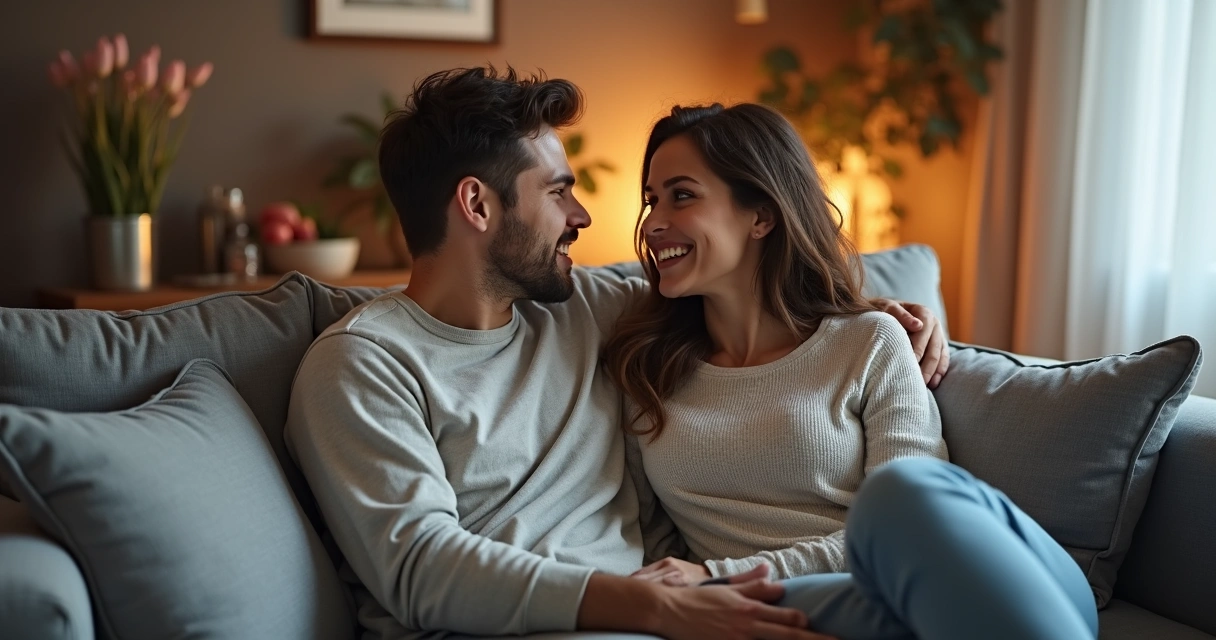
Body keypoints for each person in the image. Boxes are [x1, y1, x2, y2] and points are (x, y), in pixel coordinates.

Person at [284, 66, 946, 640]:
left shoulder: (587, 310)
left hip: (659, 618)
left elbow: (740, 280)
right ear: (477, 204)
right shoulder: (363, 364)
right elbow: (420, 568)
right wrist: (653, 605)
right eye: (557, 191)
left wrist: (881, 314)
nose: (583, 217)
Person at [602, 103, 1099, 640]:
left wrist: (716, 576)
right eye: (651, 201)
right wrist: (697, 593)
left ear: (761, 216)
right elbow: (656, 544)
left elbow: (916, 526)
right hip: (817, 604)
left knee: (903, 492)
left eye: (682, 196)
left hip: (991, 574)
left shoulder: (870, 340)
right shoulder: (644, 366)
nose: (653, 223)